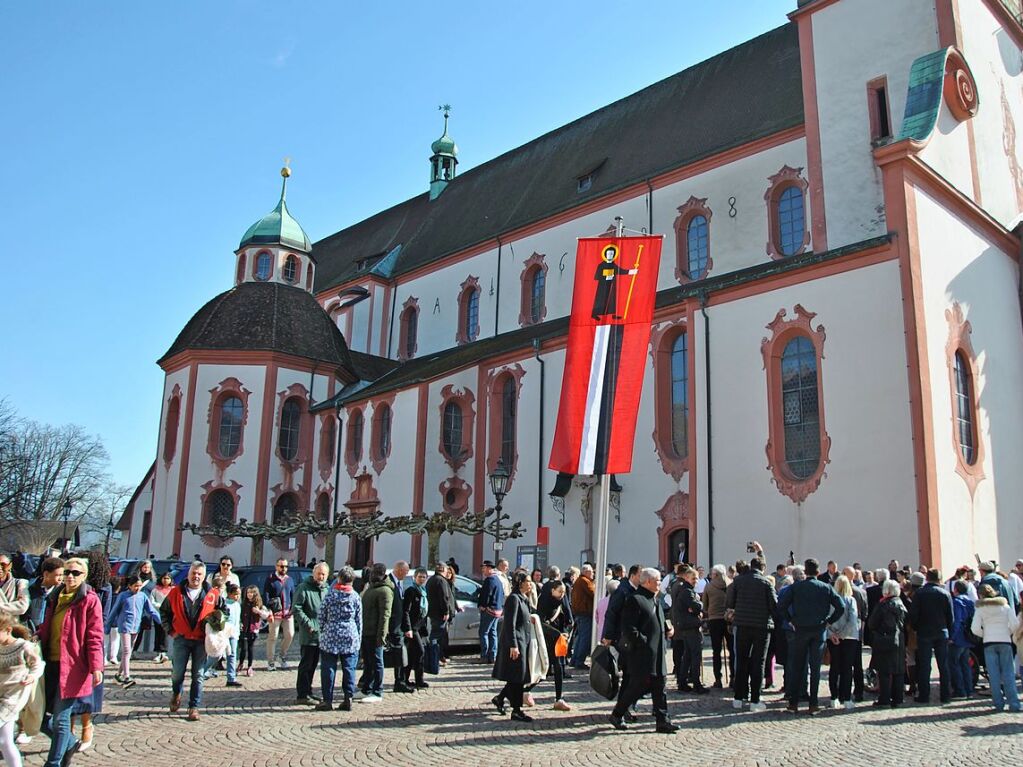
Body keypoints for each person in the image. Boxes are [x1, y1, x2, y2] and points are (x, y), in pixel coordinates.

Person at [38, 556, 104, 767]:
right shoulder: (56, 595)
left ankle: (54, 762)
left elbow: (95, 635)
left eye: (76, 573)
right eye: (67, 572)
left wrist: (96, 666)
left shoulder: (89, 600)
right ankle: (70, 742)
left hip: (73, 667)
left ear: (84, 576)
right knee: (39, 717)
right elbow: (48, 625)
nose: (70, 576)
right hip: (49, 663)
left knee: (60, 719)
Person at [608, 567, 677, 733]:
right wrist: (643, 643)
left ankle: (663, 720)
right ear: (647, 582)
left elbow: (658, 619)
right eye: (658, 581)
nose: (660, 583)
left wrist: (668, 629)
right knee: (637, 687)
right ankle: (617, 714)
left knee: (660, 686)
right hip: (642, 654)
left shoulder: (655, 599)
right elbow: (629, 628)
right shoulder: (635, 599)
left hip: (658, 652)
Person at [777, 558, 844, 715]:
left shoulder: (796, 588)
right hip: (818, 629)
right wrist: (828, 621)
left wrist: (791, 620)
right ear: (818, 571)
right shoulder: (825, 587)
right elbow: (840, 606)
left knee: (797, 666)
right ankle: (813, 703)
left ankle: (793, 703)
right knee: (815, 668)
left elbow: (781, 606)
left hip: (800, 629)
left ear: (805, 572)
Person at [160, 561, 223, 721]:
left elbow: (223, 613)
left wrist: (219, 622)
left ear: (204, 577)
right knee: (177, 673)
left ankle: (194, 707)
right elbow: (164, 611)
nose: (196, 576)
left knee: (198, 674)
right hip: (181, 638)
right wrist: (170, 630)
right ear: (188, 574)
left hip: (201, 640)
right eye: (194, 573)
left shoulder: (212, 594)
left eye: (199, 574)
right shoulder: (176, 592)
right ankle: (176, 693)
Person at [726, 557, 776, 711]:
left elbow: (730, 603)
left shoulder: (738, 581)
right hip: (761, 626)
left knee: (741, 661)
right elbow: (774, 606)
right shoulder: (766, 583)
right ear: (763, 568)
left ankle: (738, 698)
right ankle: (755, 699)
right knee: (758, 662)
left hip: (742, 625)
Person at [316, 566, 362, 712]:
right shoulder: (355, 596)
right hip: (350, 634)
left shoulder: (330, 595)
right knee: (349, 668)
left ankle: (327, 700)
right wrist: (358, 636)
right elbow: (359, 619)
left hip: (331, 634)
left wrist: (323, 630)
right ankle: (348, 697)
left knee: (328, 667)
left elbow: (321, 615)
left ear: (339, 578)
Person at [490, 571, 535, 722]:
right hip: (516, 643)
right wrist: (513, 645)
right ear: (520, 583)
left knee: (517, 677)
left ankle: (500, 698)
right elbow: (510, 624)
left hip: (524, 642)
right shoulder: (514, 599)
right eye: (528, 581)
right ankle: (516, 710)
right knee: (517, 677)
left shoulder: (524, 599)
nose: (530, 584)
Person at [0, 613, 43, 767]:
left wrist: (32, 676)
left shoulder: (23, 646)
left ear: (8, 630)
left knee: (4, 739)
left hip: (14, 697)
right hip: (1, 694)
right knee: (4, 741)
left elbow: (38, 664)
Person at [970, 583, 1020, 712]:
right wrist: (1007, 632)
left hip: (989, 642)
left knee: (994, 675)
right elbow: (1014, 624)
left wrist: (985, 634)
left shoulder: (981, 609)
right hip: (1005, 641)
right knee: (1008, 673)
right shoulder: (1005, 606)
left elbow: (974, 628)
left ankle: (998, 704)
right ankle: (1014, 703)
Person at [105, 574, 160, 688]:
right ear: (129, 586)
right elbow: (114, 611)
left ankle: (118, 674)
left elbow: (151, 610)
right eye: (135, 586)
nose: (138, 588)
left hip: (136, 627)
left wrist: (161, 622)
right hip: (125, 626)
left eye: (139, 586)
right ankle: (126, 676)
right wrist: (107, 626)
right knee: (126, 651)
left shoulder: (143, 596)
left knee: (128, 651)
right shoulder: (123, 596)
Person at [908, 568, 953, 704]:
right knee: (943, 665)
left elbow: (913, 614)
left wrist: (915, 628)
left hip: (924, 632)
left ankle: (924, 695)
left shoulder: (920, 593)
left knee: (925, 666)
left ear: (927, 578)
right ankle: (945, 695)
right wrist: (948, 630)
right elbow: (950, 616)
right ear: (939, 579)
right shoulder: (945, 593)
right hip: (941, 631)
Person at [292, 562, 329, 704]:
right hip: (309, 634)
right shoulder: (304, 588)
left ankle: (309, 691)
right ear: (314, 573)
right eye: (319, 573)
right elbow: (297, 608)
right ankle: (302, 694)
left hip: (322, 634)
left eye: (324, 574)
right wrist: (308, 624)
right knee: (306, 664)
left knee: (313, 664)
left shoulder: (326, 589)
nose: (321, 576)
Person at [868, 578, 907, 707]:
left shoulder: (883, 605)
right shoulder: (901, 603)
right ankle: (898, 698)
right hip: (899, 639)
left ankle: (884, 699)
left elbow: (872, 623)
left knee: (884, 670)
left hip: (884, 638)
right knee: (898, 670)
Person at [669, 564, 706, 695]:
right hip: (690, 626)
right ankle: (696, 683)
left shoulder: (685, 590)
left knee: (688, 656)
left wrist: (696, 607)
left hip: (686, 626)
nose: (695, 581)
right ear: (686, 578)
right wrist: (699, 605)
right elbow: (696, 606)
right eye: (693, 578)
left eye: (696, 579)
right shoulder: (687, 591)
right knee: (694, 656)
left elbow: (694, 607)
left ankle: (683, 682)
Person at [358, 563, 392, 703]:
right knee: (368, 663)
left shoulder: (385, 591)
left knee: (377, 662)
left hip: (375, 633)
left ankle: (377, 691)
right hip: (366, 632)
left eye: (376, 572)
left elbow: (385, 616)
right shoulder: (371, 588)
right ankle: (366, 688)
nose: (373, 575)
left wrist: (382, 635)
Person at [536, 578, 571, 711]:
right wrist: (557, 633)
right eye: (560, 592)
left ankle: (559, 698)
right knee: (543, 669)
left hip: (559, 639)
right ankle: (523, 691)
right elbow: (541, 622)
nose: (562, 594)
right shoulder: (544, 601)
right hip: (548, 638)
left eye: (563, 592)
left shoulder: (562, 601)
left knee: (559, 667)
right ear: (552, 590)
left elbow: (568, 619)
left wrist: (566, 632)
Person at [826, 575, 859, 710]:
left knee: (834, 667)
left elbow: (826, 620)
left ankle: (834, 697)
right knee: (846, 668)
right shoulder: (851, 600)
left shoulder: (830, 601)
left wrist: (833, 634)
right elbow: (852, 620)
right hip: (849, 637)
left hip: (832, 637)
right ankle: (846, 698)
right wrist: (842, 635)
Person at [701, 564, 731, 688]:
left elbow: (705, 605)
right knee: (732, 650)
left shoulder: (709, 586)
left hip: (714, 620)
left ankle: (717, 679)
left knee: (716, 651)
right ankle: (734, 677)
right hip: (729, 619)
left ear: (716, 574)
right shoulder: (731, 584)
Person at [400, 568, 430, 690]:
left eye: (424, 577)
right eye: (420, 577)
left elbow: (423, 612)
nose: (422, 579)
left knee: (413, 654)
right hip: (411, 628)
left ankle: (409, 679)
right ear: (414, 578)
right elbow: (406, 611)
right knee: (420, 651)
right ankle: (417, 679)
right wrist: (408, 628)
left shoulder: (424, 592)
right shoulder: (411, 591)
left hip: (419, 627)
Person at [263, 558, 295, 671]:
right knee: (273, 637)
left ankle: (282, 655)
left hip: (287, 613)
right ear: (276, 566)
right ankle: (271, 661)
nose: (284, 568)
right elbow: (266, 595)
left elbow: (292, 595)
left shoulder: (290, 580)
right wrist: (269, 611)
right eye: (281, 566)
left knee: (290, 634)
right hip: (275, 613)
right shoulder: (271, 579)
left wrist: (292, 609)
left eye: (286, 566)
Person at [386, 561, 413, 693]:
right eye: (406, 572)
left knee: (400, 654)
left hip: (398, 626)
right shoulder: (389, 582)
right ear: (400, 570)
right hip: (392, 625)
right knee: (397, 655)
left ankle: (400, 680)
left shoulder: (398, 582)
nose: (407, 574)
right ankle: (399, 681)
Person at [947, 580, 975, 699]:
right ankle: (969, 690)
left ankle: (960, 691)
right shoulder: (970, 602)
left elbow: (957, 621)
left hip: (958, 638)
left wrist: (951, 637)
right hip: (967, 637)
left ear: (955, 590)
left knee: (954, 664)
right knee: (965, 665)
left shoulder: (957, 602)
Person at [23, 557, 63, 634]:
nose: (61, 578)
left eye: (62, 575)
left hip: (49, 634)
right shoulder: (29, 589)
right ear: (46, 574)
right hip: (29, 633)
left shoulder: (61, 593)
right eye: (58, 575)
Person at [238, 585, 271, 677]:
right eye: (248, 592)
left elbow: (266, 615)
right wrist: (240, 623)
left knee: (250, 648)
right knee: (243, 648)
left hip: (253, 629)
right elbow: (240, 615)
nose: (249, 594)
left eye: (252, 592)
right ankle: (240, 664)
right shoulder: (243, 604)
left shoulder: (259, 605)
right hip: (244, 629)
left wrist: (258, 611)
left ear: (255, 594)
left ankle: (250, 666)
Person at [426, 563, 455, 666]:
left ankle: (439, 657)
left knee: (440, 636)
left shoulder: (432, 579)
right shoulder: (441, 580)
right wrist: (446, 611)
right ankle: (433, 658)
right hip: (439, 613)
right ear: (443, 569)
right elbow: (444, 597)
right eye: (447, 569)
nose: (448, 571)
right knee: (436, 636)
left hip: (434, 612)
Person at [569, 564, 596, 670]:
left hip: (580, 613)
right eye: (592, 572)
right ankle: (579, 661)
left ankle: (574, 660)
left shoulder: (579, 581)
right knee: (585, 637)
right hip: (585, 613)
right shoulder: (585, 581)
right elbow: (594, 593)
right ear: (586, 572)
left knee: (580, 637)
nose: (593, 573)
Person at [478, 561, 503, 665]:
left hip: (490, 610)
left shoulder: (490, 580)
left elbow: (486, 595)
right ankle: (493, 655)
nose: (482, 570)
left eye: (483, 568)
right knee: (493, 633)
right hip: (497, 610)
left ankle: (484, 655)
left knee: (483, 632)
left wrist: (482, 605)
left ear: (489, 568)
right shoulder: (498, 579)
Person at [149, 573, 174, 664]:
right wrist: (160, 606)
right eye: (164, 578)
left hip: (168, 615)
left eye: (168, 578)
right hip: (157, 614)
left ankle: (163, 652)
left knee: (165, 633)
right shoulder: (156, 589)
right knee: (158, 632)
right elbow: (152, 601)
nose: (166, 580)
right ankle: (158, 652)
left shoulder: (173, 590)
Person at [221, 582, 242, 687]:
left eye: (238, 594)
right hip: (224, 632)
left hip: (234, 633)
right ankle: (204, 672)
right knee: (217, 654)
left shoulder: (237, 605)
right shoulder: (224, 604)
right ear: (229, 594)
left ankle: (231, 677)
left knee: (232, 654)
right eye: (235, 594)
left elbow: (237, 619)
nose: (237, 596)